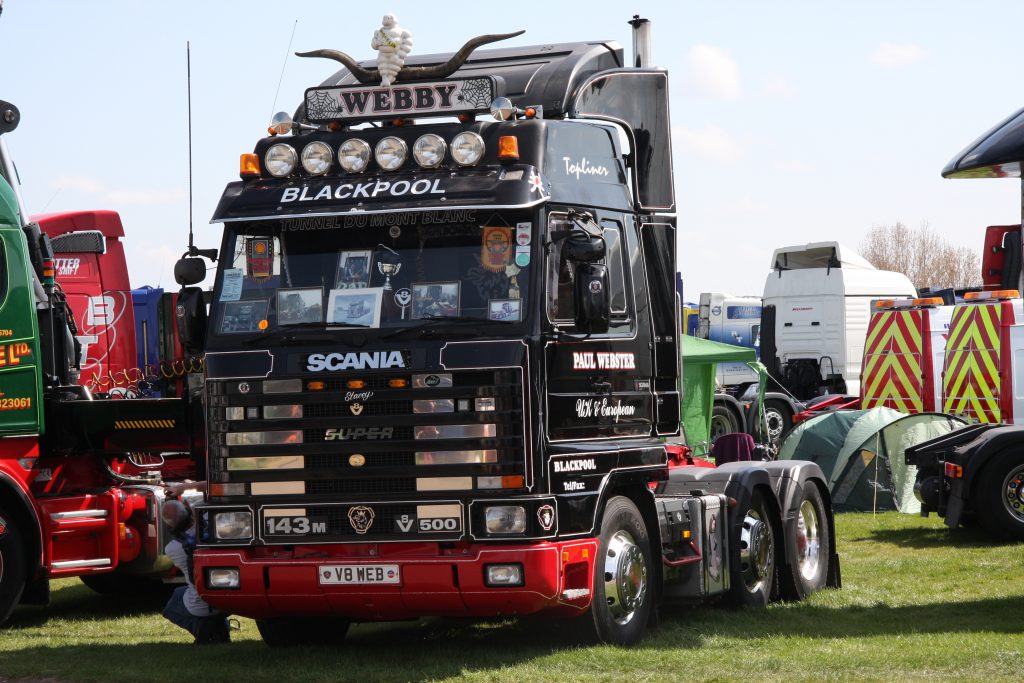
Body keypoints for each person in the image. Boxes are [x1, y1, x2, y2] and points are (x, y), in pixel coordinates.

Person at [160, 491, 231, 644]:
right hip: (229, 598)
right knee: (179, 593)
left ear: (168, 525)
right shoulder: (212, 527)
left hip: (202, 602)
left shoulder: (172, 549)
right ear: (189, 510)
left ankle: (202, 629)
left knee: (170, 609)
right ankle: (219, 630)